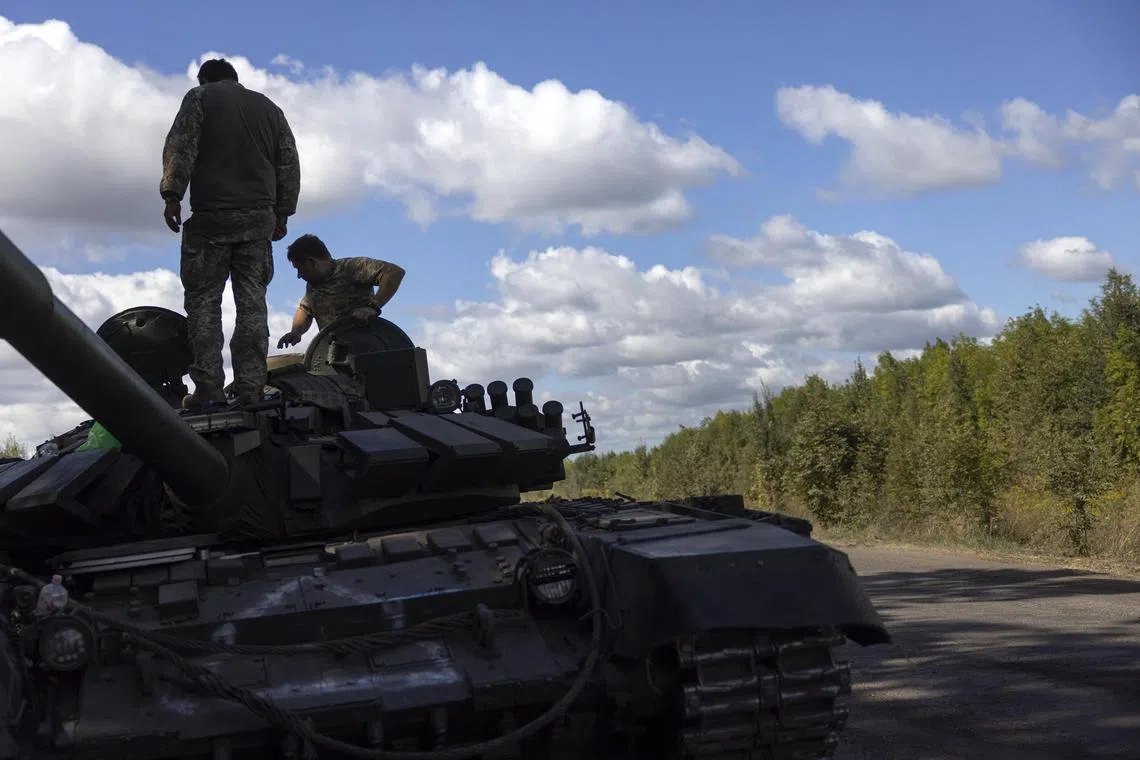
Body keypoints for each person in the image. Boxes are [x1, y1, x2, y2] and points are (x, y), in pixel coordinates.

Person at [159, 58, 300, 407]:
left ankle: (209, 389)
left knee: (204, 303)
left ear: (204, 79)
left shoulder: (200, 97)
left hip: (212, 219)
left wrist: (172, 195)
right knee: (252, 305)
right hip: (258, 220)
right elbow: (288, 163)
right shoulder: (269, 108)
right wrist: (282, 213)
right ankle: (251, 387)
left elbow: (181, 146)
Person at [276, 234, 405, 349]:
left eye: (300, 269)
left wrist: (373, 307)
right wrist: (296, 332)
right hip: (335, 353)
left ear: (312, 262)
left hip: (367, 348)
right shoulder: (313, 284)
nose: (299, 275)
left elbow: (394, 272)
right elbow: (305, 309)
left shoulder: (351, 268)